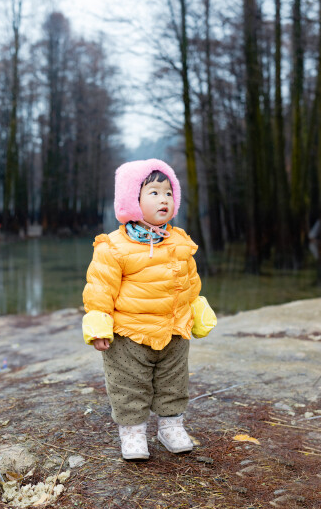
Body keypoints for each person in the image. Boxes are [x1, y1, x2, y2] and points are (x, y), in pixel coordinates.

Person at [82, 159, 209, 461]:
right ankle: (133, 432)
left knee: (173, 384)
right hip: (129, 335)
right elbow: (100, 289)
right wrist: (99, 325)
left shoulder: (179, 241)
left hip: (173, 331)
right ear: (132, 200)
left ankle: (171, 427)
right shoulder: (113, 247)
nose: (163, 199)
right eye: (154, 192)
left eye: (168, 193)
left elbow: (189, 281)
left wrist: (196, 307)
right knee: (129, 386)